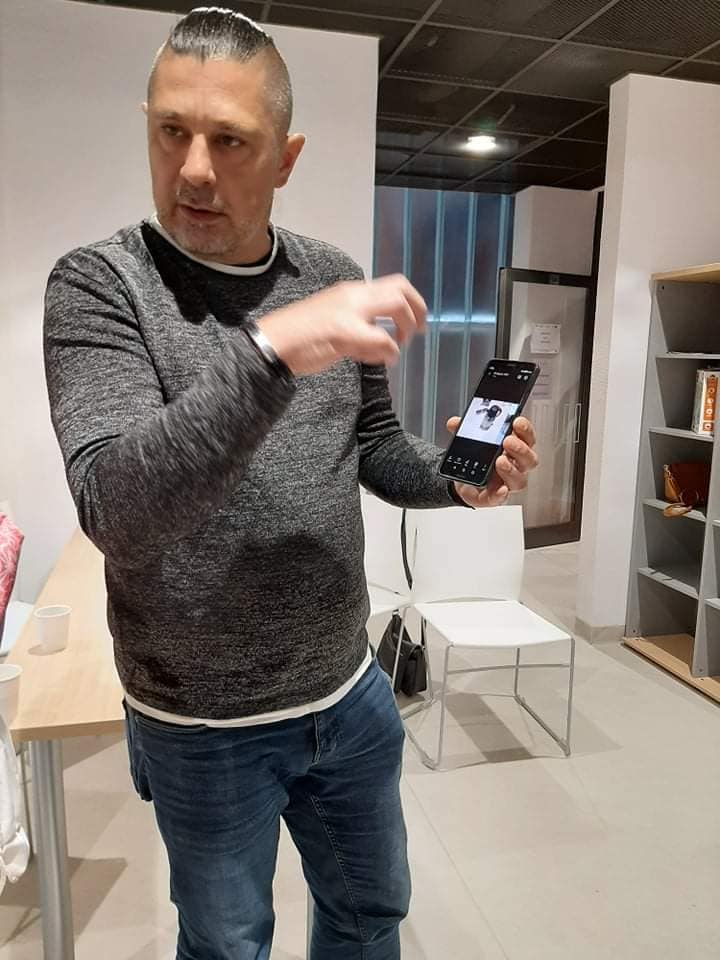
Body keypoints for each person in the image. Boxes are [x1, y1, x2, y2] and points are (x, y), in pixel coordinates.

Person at [43, 8, 538, 959]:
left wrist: (455, 483)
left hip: (347, 691)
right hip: (199, 724)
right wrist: (272, 349)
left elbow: (373, 446)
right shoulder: (100, 287)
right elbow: (116, 509)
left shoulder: (329, 275)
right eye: (172, 131)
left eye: (230, 140)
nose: (194, 169)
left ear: (286, 157)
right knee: (227, 945)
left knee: (369, 914)